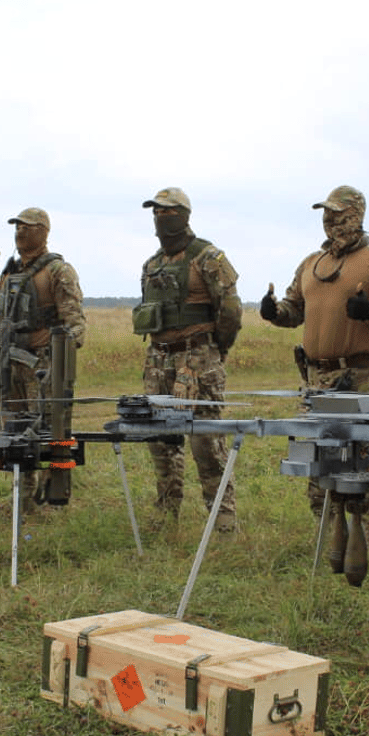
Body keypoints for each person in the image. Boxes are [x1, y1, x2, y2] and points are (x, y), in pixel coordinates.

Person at [259, 184, 369, 583]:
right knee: (318, 466)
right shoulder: (312, 263)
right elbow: (295, 310)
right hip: (315, 381)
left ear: (358, 215)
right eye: (326, 214)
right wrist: (274, 312)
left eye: (338, 214)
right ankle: (331, 548)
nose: (331, 221)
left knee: (366, 465)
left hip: (357, 378)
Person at [132, 187, 242, 532]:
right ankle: (166, 513)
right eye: (156, 212)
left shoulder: (208, 258)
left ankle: (222, 521)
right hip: (158, 362)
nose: (161, 219)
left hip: (197, 360)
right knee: (160, 443)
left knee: (206, 443)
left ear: (184, 216)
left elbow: (231, 311)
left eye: (168, 212)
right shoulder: (152, 265)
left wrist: (213, 352)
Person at [0, 207, 87, 512]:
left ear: (43, 232)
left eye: (27, 227)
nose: (20, 231)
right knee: (15, 431)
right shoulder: (9, 272)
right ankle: (22, 496)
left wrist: (59, 367)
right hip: (11, 365)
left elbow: (75, 323)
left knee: (48, 431)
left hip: (42, 366)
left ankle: (53, 496)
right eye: (17, 227)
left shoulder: (58, 271)